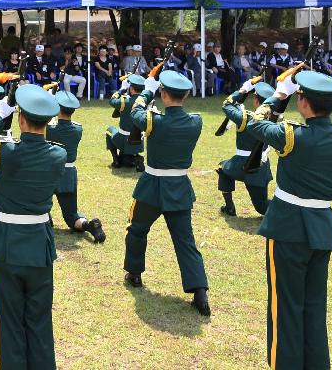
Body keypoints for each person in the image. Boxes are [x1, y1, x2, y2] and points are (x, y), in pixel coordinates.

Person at [228, 70, 332, 369]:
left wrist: (279, 94)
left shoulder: (292, 136)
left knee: (285, 308)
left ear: (303, 103)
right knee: (314, 307)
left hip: (289, 227)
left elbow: (254, 122)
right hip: (322, 227)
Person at [0, 84, 64, 369]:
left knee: (9, 322)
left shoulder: (4, 151)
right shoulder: (58, 155)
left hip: (8, 244)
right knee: (39, 319)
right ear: (48, 121)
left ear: (21, 119)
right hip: (39, 244)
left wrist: (0, 112)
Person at [123, 70, 210, 316]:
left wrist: (147, 89)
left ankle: (135, 273)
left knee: (137, 229)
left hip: (152, 186)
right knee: (185, 241)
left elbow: (135, 111)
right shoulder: (196, 121)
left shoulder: (155, 121)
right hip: (179, 188)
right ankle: (200, 291)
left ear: (163, 93)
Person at [48, 91, 106, 243]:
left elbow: (46, 126)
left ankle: (45, 220)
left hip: (49, 173)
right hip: (68, 174)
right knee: (71, 215)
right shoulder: (77, 129)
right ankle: (88, 225)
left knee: (38, 204)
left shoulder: (50, 128)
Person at [217, 81, 276, 217]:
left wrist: (244, 89)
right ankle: (229, 207)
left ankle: (230, 207)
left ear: (256, 101)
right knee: (261, 206)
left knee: (262, 207)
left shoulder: (246, 117)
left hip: (242, 164)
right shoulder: (275, 119)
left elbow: (227, 104)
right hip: (259, 166)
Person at [106, 74, 146, 170]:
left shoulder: (125, 101)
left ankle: (116, 161)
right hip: (139, 141)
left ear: (131, 88)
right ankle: (135, 157)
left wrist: (122, 89)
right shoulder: (145, 101)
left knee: (109, 130)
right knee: (126, 160)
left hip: (124, 138)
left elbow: (112, 100)